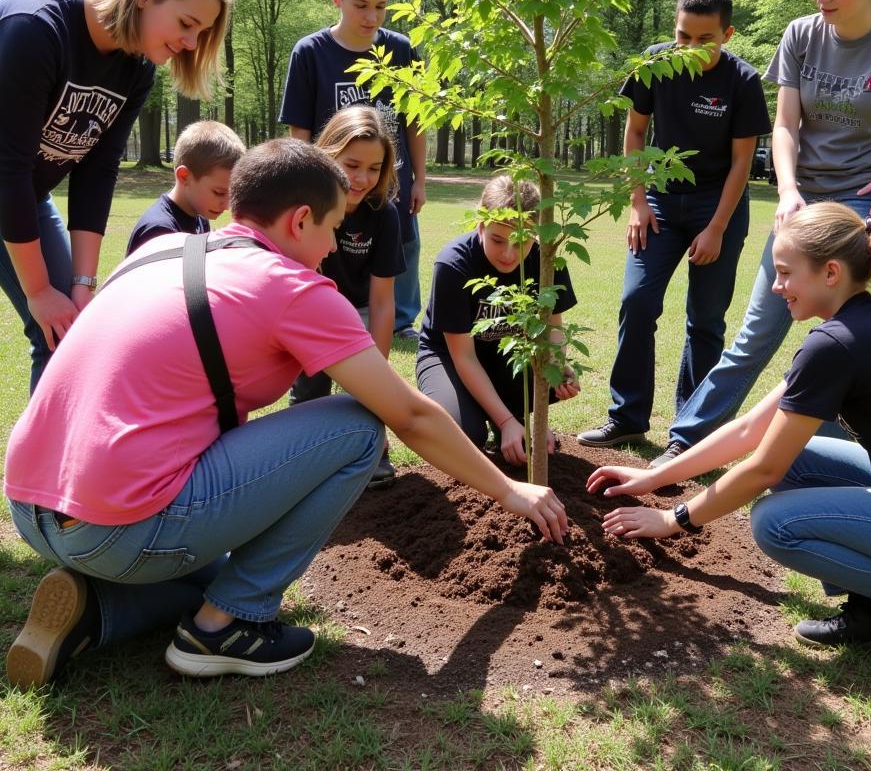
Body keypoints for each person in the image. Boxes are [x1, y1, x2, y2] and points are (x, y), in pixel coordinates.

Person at [4, 139, 567, 689]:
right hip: (120, 526)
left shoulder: (163, 248)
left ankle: (95, 613)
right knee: (357, 424)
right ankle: (224, 628)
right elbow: (410, 416)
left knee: (220, 564)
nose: (332, 248)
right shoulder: (293, 287)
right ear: (301, 221)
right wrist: (511, 492)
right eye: (332, 228)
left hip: (30, 507)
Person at [589, 203, 871, 702]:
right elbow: (752, 429)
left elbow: (762, 468)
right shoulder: (854, 327)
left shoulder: (836, 344)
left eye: (785, 273)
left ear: (831, 273)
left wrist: (674, 520)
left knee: (775, 523)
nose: (777, 287)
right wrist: (650, 476)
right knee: (799, 461)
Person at [649, 0, 871, 468]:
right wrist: (786, 190)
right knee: (758, 328)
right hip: (803, 201)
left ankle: (840, 451)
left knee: (844, 338)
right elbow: (784, 126)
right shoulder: (801, 34)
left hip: (866, 206)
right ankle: (686, 440)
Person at [0, 0, 231, 393]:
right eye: (186, 24)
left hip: (25, 194)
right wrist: (41, 291)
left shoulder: (136, 69)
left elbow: (98, 170)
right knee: (52, 319)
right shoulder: (35, 31)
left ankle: (56, 465)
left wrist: (80, 285)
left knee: (66, 334)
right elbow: (7, 168)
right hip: (9, 184)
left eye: (200, 33)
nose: (189, 43)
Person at [577, 0, 771, 449]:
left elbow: (743, 163)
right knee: (637, 301)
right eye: (683, 36)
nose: (690, 49)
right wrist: (638, 202)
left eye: (704, 40)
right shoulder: (654, 63)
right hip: (660, 200)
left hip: (716, 203)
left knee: (705, 320)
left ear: (727, 34)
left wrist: (717, 228)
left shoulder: (742, 81)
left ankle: (692, 430)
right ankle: (627, 416)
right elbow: (636, 131)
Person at [279, 0, 425, 338]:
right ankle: (326, 311)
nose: (371, 17)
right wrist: (304, 187)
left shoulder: (402, 50)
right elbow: (300, 132)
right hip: (333, 183)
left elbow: (416, 122)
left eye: (381, 6)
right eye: (361, 5)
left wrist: (421, 178)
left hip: (389, 178)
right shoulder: (310, 52)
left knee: (403, 243)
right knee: (331, 247)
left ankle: (402, 322)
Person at [417, 174, 581, 465]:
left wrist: (556, 370)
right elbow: (464, 358)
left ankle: (515, 417)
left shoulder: (547, 259)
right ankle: (500, 417)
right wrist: (506, 421)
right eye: (496, 239)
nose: (508, 254)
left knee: (556, 375)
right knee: (466, 433)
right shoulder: (453, 264)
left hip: (509, 356)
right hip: (451, 358)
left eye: (522, 242)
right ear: (481, 226)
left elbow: (553, 329)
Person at [290, 106, 406, 486]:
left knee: (365, 388)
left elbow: (383, 300)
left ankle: (370, 445)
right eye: (351, 164)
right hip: (310, 305)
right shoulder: (302, 205)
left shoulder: (384, 213)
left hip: (360, 311)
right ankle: (305, 452)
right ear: (329, 154)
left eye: (374, 168)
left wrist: (378, 375)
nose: (362, 178)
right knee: (312, 388)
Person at [126, 120, 245, 255]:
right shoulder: (160, 231)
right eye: (219, 193)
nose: (227, 206)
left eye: (232, 194)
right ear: (184, 177)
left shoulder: (200, 218)